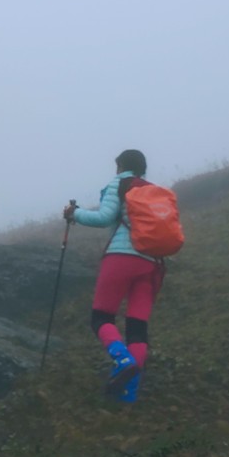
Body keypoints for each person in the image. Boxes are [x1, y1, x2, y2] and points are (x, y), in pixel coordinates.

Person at [63, 149, 164, 403]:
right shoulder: (154, 191)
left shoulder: (120, 184)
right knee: (137, 328)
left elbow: (104, 217)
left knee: (101, 317)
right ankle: (128, 395)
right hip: (152, 262)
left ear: (120, 166)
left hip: (121, 257)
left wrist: (74, 213)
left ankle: (122, 360)